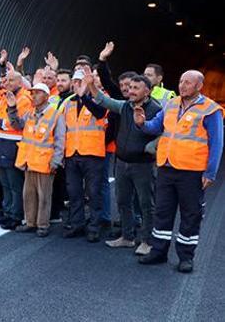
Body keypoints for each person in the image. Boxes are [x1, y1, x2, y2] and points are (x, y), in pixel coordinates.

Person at [135, 70, 223, 273]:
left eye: (188, 83)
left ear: (199, 86)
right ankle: (158, 251)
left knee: (190, 214)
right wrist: (142, 124)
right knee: (162, 212)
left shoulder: (210, 110)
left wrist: (210, 173)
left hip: (191, 171)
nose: (182, 86)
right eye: (181, 81)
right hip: (167, 167)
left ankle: (186, 256)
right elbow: (156, 126)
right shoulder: (171, 104)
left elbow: (217, 143)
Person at [90, 74, 161, 255]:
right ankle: (127, 237)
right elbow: (103, 100)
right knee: (122, 201)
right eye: (130, 88)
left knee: (147, 204)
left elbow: (166, 132)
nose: (130, 91)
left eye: (136, 88)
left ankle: (146, 241)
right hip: (122, 163)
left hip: (143, 165)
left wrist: (151, 147)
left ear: (148, 91)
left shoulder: (156, 109)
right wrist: (91, 85)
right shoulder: (125, 107)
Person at [0, 54, 32, 230]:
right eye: (5, 80)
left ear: (19, 82)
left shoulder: (24, 99)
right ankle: (7, 212)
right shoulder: (2, 95)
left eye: (10, 80)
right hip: (0, 143)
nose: (6, 83)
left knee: (14, 183)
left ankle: (16, 215)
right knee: (4, 182)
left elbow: (17, 124)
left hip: (13, 145)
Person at [7, 83, 65, 237]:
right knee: (29, 195)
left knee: (44, 196)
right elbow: (16, 125)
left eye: (38, 93)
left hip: (45, 163)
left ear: (46, 96)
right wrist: (12, 108)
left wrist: (56, 161)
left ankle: (43, 225)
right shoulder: (30, 113)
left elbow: (60, 141)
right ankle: (30, 222)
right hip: (29, 161)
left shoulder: (56, 115)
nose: (34, 96)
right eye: (32, 93)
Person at [61, 68, 109, 242]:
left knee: (94, 193)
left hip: (92, 154)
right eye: (74, 82)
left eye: (80, 82)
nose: (76, 85)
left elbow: (100, 113)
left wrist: (85, 97)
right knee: (74, 192)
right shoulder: (68, 103)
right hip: (72, 154)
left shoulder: (99, 101)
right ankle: (77, 224)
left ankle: (94, 227)